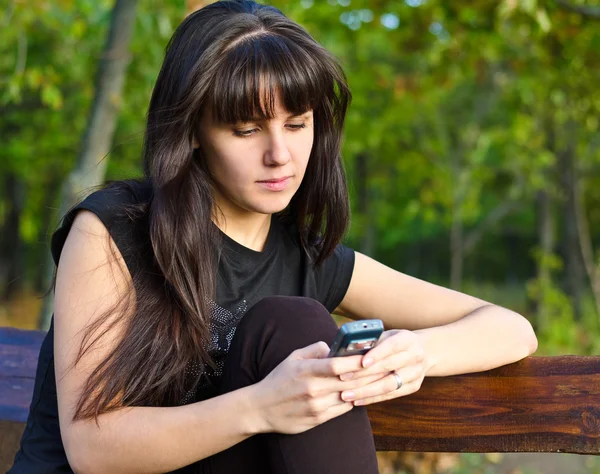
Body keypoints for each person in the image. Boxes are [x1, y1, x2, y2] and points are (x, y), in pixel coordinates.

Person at [8, 1, 538, 473]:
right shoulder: (110, 232)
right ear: (192, 131)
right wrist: (264, 405)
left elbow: (511, 329)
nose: (279, 155)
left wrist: (418, 351)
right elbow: (91, 448)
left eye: (298, 123)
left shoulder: (306, 255)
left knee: (294, 322)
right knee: (296, 323)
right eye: (246, 130)